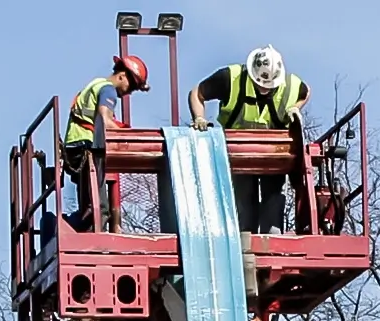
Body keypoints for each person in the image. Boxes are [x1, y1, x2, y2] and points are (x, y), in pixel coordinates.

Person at [183, 45, 310, 233]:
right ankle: (243, 240)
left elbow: (306, 92)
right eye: (260, 84)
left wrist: (295, 108)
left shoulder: (290, 85)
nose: (264, 88)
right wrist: (199, 118)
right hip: (238, 154)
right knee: (243, 202)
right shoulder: (230, 78)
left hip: (274, 156)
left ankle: (271, 242)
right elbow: (197, 93)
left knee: (273, 198)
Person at [62, 54, 152, 231]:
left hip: (75, 146)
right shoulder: (108, 90)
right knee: (99, 209)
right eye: (131, 85)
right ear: (122, 75)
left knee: (89, 202)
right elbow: (105, 119)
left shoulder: (95, 84)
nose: (130, 91)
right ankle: (94, 243)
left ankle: (77, 229)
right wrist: (128, 137)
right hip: (87, 148)